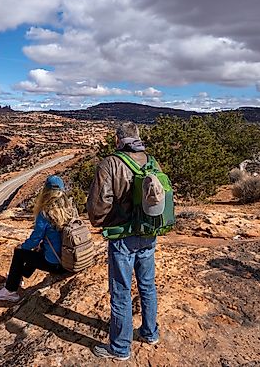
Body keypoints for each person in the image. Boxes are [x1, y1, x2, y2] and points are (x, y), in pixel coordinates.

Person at [88, 122, 161, 361]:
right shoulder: (150, 160)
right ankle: (150, 333)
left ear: (118, 140)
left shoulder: (110, 163)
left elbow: (99, 205)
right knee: (147, 285)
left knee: (121, 291)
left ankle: (120, 348)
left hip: (122, 237)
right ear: (137, 138)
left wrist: (105, 223)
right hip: (148, 233)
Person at [0, 175, 76, 303]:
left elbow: (35, 238)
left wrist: (23, 246)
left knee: (20, 253)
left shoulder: (46, 213)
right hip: (70, 260)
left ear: (46, 191)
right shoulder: (69, 210)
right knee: (38, 249)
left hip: (56, 264)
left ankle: (10, 291)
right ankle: (19, 276)